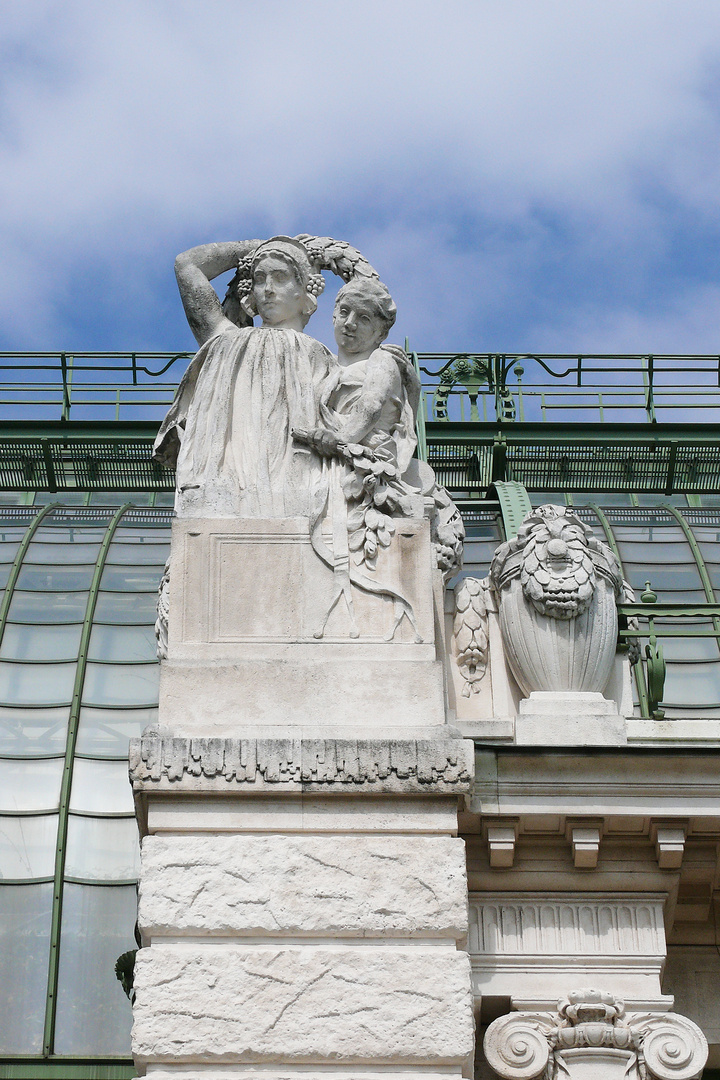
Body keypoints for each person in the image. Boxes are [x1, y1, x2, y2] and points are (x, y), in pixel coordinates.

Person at [154, 236, 333, 518]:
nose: (268, 290)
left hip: (299, 491)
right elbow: (187, 264)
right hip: (226, 489)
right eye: (260, 279)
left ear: (305, 290)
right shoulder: (228, 340)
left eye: (281, 277)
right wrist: (258, 247)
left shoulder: (322, 358)